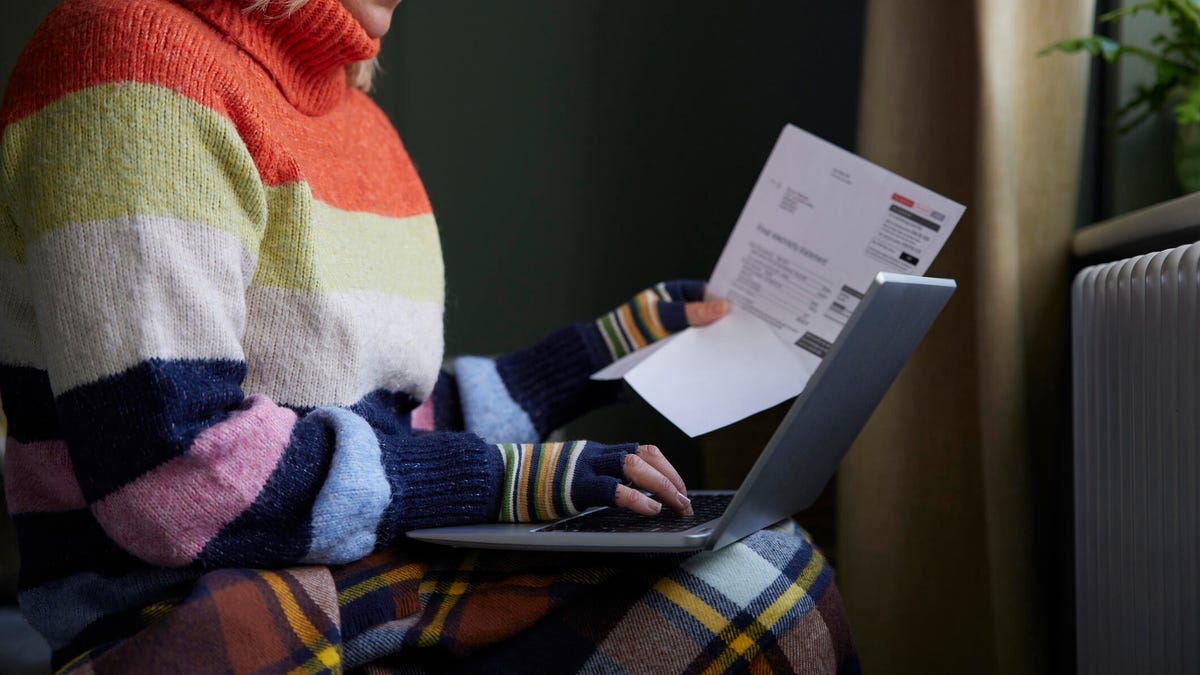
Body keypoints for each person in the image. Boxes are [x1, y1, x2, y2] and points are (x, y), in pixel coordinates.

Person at [0, 0, 859, 671]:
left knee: (768, 558)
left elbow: (382, 431)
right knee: (758, 597)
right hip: (185, 607)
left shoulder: (363, 128)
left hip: (349, 566)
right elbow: (180, 469)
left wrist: (611, 347)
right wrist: (513, 481)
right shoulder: (127, 62)